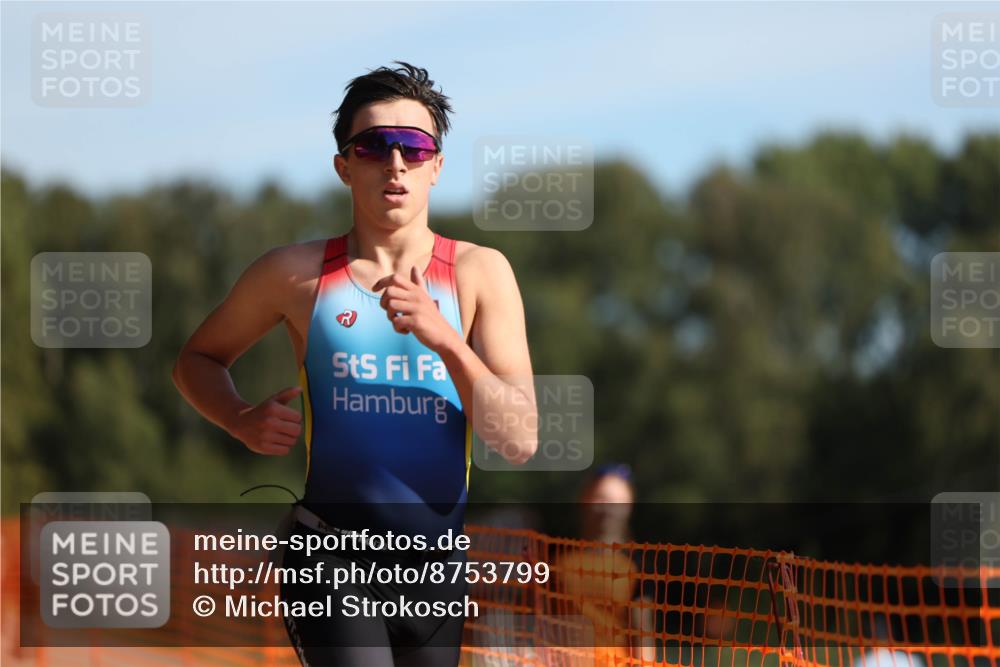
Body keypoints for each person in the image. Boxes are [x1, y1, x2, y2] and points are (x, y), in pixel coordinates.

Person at [173, 61, 537, 667]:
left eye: (415, 148)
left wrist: (444, 337)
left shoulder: (480, 274)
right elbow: (196, 360)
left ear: (436, 167)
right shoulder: (293, 274)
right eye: (374, 146)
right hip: (330, 556)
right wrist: (238, 417)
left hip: (436, 570)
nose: (396, 164)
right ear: (344, 165)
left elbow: (520, 439)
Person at [546, 464, 657, 666]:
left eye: (616, 502)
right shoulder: (555, 556)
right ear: (584, 501)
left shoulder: (636, 565)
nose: (607, 509)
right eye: (601, 498)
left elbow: (643, 632)